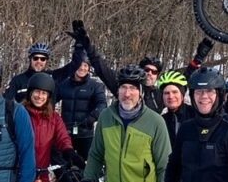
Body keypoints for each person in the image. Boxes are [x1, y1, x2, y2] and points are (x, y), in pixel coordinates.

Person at [67, 19, 213, 111]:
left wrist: (198, 58)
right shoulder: (127, 88)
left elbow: (182, 81)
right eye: (147, 70)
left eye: (154, 72)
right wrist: (86, 46)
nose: (150, 73)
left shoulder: (160, 94)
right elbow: (102, 68)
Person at [54, 50, 107, 161]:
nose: (82, 68)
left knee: (85, 166)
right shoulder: (63, 84)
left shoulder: (95, 86)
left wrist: (92, 118)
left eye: (85, 65)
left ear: (89, 68)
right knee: (65, 166)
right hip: (66, 134)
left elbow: (102, 104)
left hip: (85, 133)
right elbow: (50, 101)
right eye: (79, 64)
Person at [4, 41, 83, 103]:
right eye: (35, 58)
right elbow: (5, 100)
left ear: (46, 61)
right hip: (25, 121)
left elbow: (75, 65)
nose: (39, 61)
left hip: (47, 121)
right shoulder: (18, 80)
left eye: (43, 59)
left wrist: (79, 47)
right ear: (30, 59)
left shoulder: (53, 77)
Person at [157, 70, 195, 148]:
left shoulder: (195, 115)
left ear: (182, 94)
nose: (170, 96)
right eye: (166, 93)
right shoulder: (161, 120)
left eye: (175, 92)